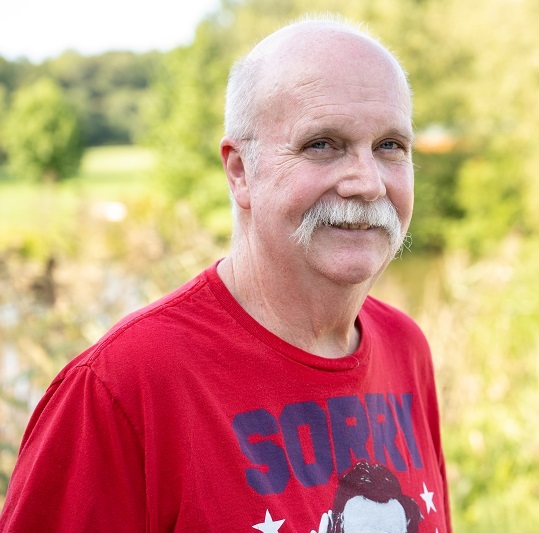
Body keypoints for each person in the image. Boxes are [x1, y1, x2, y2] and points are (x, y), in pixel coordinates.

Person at [0, 15, 451, 533]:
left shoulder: (405, 348)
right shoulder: (123, 388)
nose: (367, 183)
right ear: (239, 172)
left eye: (390, 146)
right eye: (322, 144)